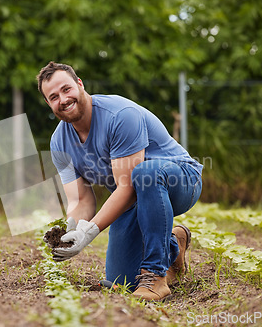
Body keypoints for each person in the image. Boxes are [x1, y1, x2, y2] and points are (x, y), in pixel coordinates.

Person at [36, 61, 203, 301]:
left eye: (66, 89)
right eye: (53, 97)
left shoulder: (120, 115)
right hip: (133, 198)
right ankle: (172, 245)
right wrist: (71, 230)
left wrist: (91, 231)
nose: (62, 99)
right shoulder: (59, 142)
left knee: (145, 174)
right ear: (48, 103)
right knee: (121, 280)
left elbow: (129, 187)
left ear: (80, 84)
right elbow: (81, 199)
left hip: (181, 180)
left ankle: (155, 276)